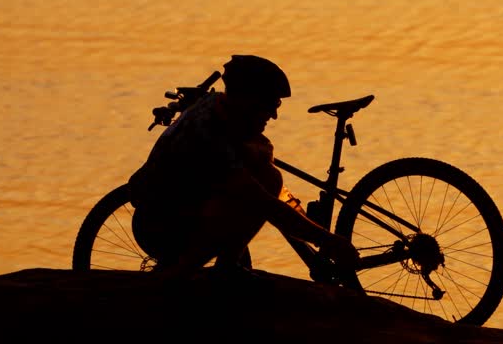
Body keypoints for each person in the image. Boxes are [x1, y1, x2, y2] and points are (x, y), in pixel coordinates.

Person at [127, 54, 360, 278]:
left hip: (179, 207)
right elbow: (265, 205)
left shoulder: (217, 106)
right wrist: (330, 241)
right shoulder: (210, 136)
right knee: (261, 188)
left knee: (267, 175)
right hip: (160, 227)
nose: (275, 115)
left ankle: (223, 267)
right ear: (246, 100)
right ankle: (180, 277)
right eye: (270, 104)